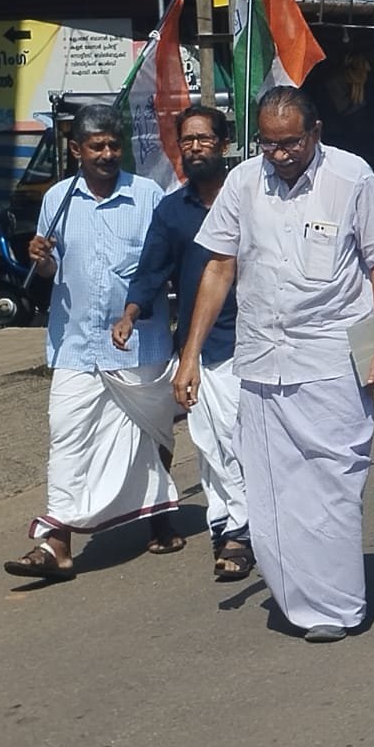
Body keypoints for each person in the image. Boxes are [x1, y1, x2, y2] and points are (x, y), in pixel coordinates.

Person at [173, 87, 374, 643]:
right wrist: (191, 356)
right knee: (273, 489)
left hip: (330, 359)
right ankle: (298, 600)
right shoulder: (244, 183)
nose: (279, 155)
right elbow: (219, 269)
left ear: (315, 132)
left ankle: (339, 606)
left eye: (290, 143)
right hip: (260, 357)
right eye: (269, 145)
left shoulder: (352, 178)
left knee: (332, 483)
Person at [4, 104, 179, 583]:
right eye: (96, 146)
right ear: (76, 150)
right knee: (67, 437)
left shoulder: (148, 196)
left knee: (153, 433)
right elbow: (51, 272)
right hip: (76, 345)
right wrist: (39, 258)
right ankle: (56, 542)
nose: (106, 153)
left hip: (140, 344)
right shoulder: (57, 199)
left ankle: (158, 518)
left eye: (113, 144)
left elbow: (165, 262)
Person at [113, 105, 253, 582]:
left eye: (204, 139)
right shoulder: (173, 211)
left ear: (224, 144)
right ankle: (231, 531)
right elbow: (152, 268)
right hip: (203, 347)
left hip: (260, 341)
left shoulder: (251, 197)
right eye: (187, 140)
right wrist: (131, 313)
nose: (195, 148)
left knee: (250, 444)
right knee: (212, 446)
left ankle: (262, 528)